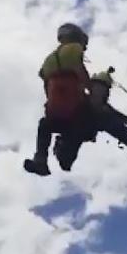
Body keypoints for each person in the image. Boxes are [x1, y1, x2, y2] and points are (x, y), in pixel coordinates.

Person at [51, 68, 127, 173]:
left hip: (93, 125)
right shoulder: (80, 100)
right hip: (75, 131)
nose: (105, 93)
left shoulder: (106, 111)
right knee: (68, 149)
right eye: (101, 88)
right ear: (92, 87)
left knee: (122, 131)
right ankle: (64, 152)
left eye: (106, 90)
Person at [23, 23, 92, 176]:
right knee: (80, 129)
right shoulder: (74, 48)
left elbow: (43, 77)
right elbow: (78, 68)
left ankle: (40, 159)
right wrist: (91, 89)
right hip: (75, 106)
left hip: (56, 106)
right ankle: (63, 155)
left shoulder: (49, 59)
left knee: (45, 125)